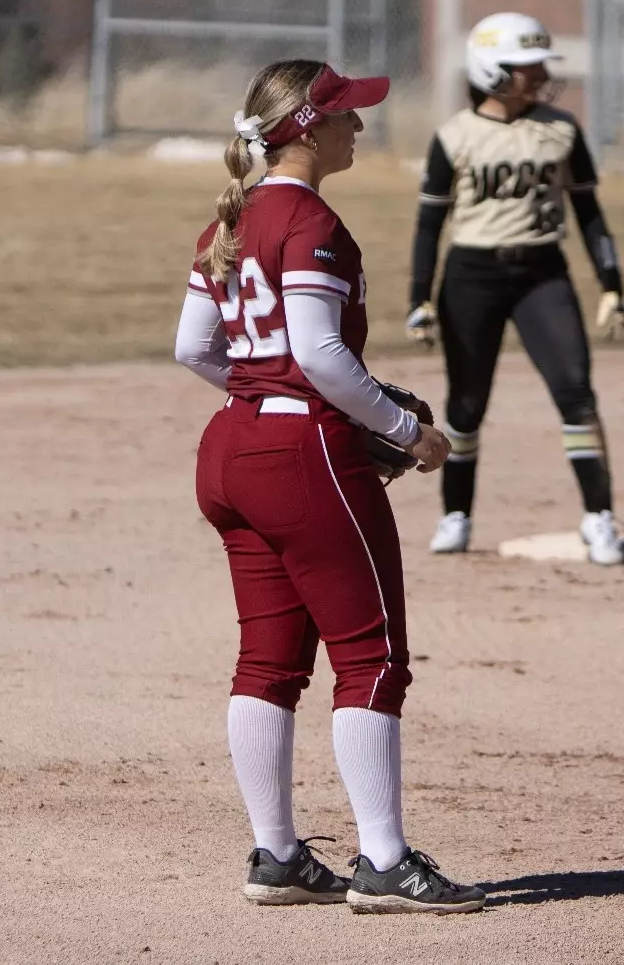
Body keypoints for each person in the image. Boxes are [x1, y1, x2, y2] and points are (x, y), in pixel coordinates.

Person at [173, 59, 486, 915]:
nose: (359, 126)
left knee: (267, 662)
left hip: (233, 447)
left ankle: (277, 855)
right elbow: (318, 353)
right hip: (303, 455)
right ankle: (383, 863)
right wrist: (401, 430)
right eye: (346, 115)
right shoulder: (309, 221)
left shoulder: (228, 221)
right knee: (371, 658)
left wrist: (268, 396)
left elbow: (195, 350)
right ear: (305, 128)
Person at [407, 11, 624, 565]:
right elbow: (430, 224)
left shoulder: (560, 129)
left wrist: (612, 284)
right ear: (494, 70)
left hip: (541, 274)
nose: (539, 76)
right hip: (472, 276)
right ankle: (456, 514)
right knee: (466, 402)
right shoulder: (455, 136)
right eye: (527, 67)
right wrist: (419, 296)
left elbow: (589, 213)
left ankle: (599, 516)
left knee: (576, 391)